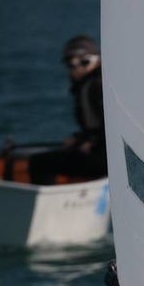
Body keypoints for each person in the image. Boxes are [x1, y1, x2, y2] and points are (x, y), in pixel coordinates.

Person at [28, 35, 107, 185]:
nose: (77, 68)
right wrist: (81, 139)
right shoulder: (100, 82)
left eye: (85, 62)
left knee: (38, 163)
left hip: (102, 157)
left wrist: (93, 144)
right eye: (71, 65)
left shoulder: (95, 85)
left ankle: (50, 203)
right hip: (104, 154)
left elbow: (109, 124)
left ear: (98, 60)